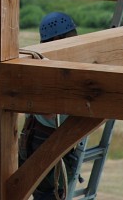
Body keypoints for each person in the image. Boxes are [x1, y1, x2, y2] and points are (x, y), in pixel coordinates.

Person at [18, 12, 80, 200]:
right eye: (72, 34)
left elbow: (50, 111)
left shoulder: (66, 65)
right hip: (38, 147)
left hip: (50, 153)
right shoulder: (50, 63)